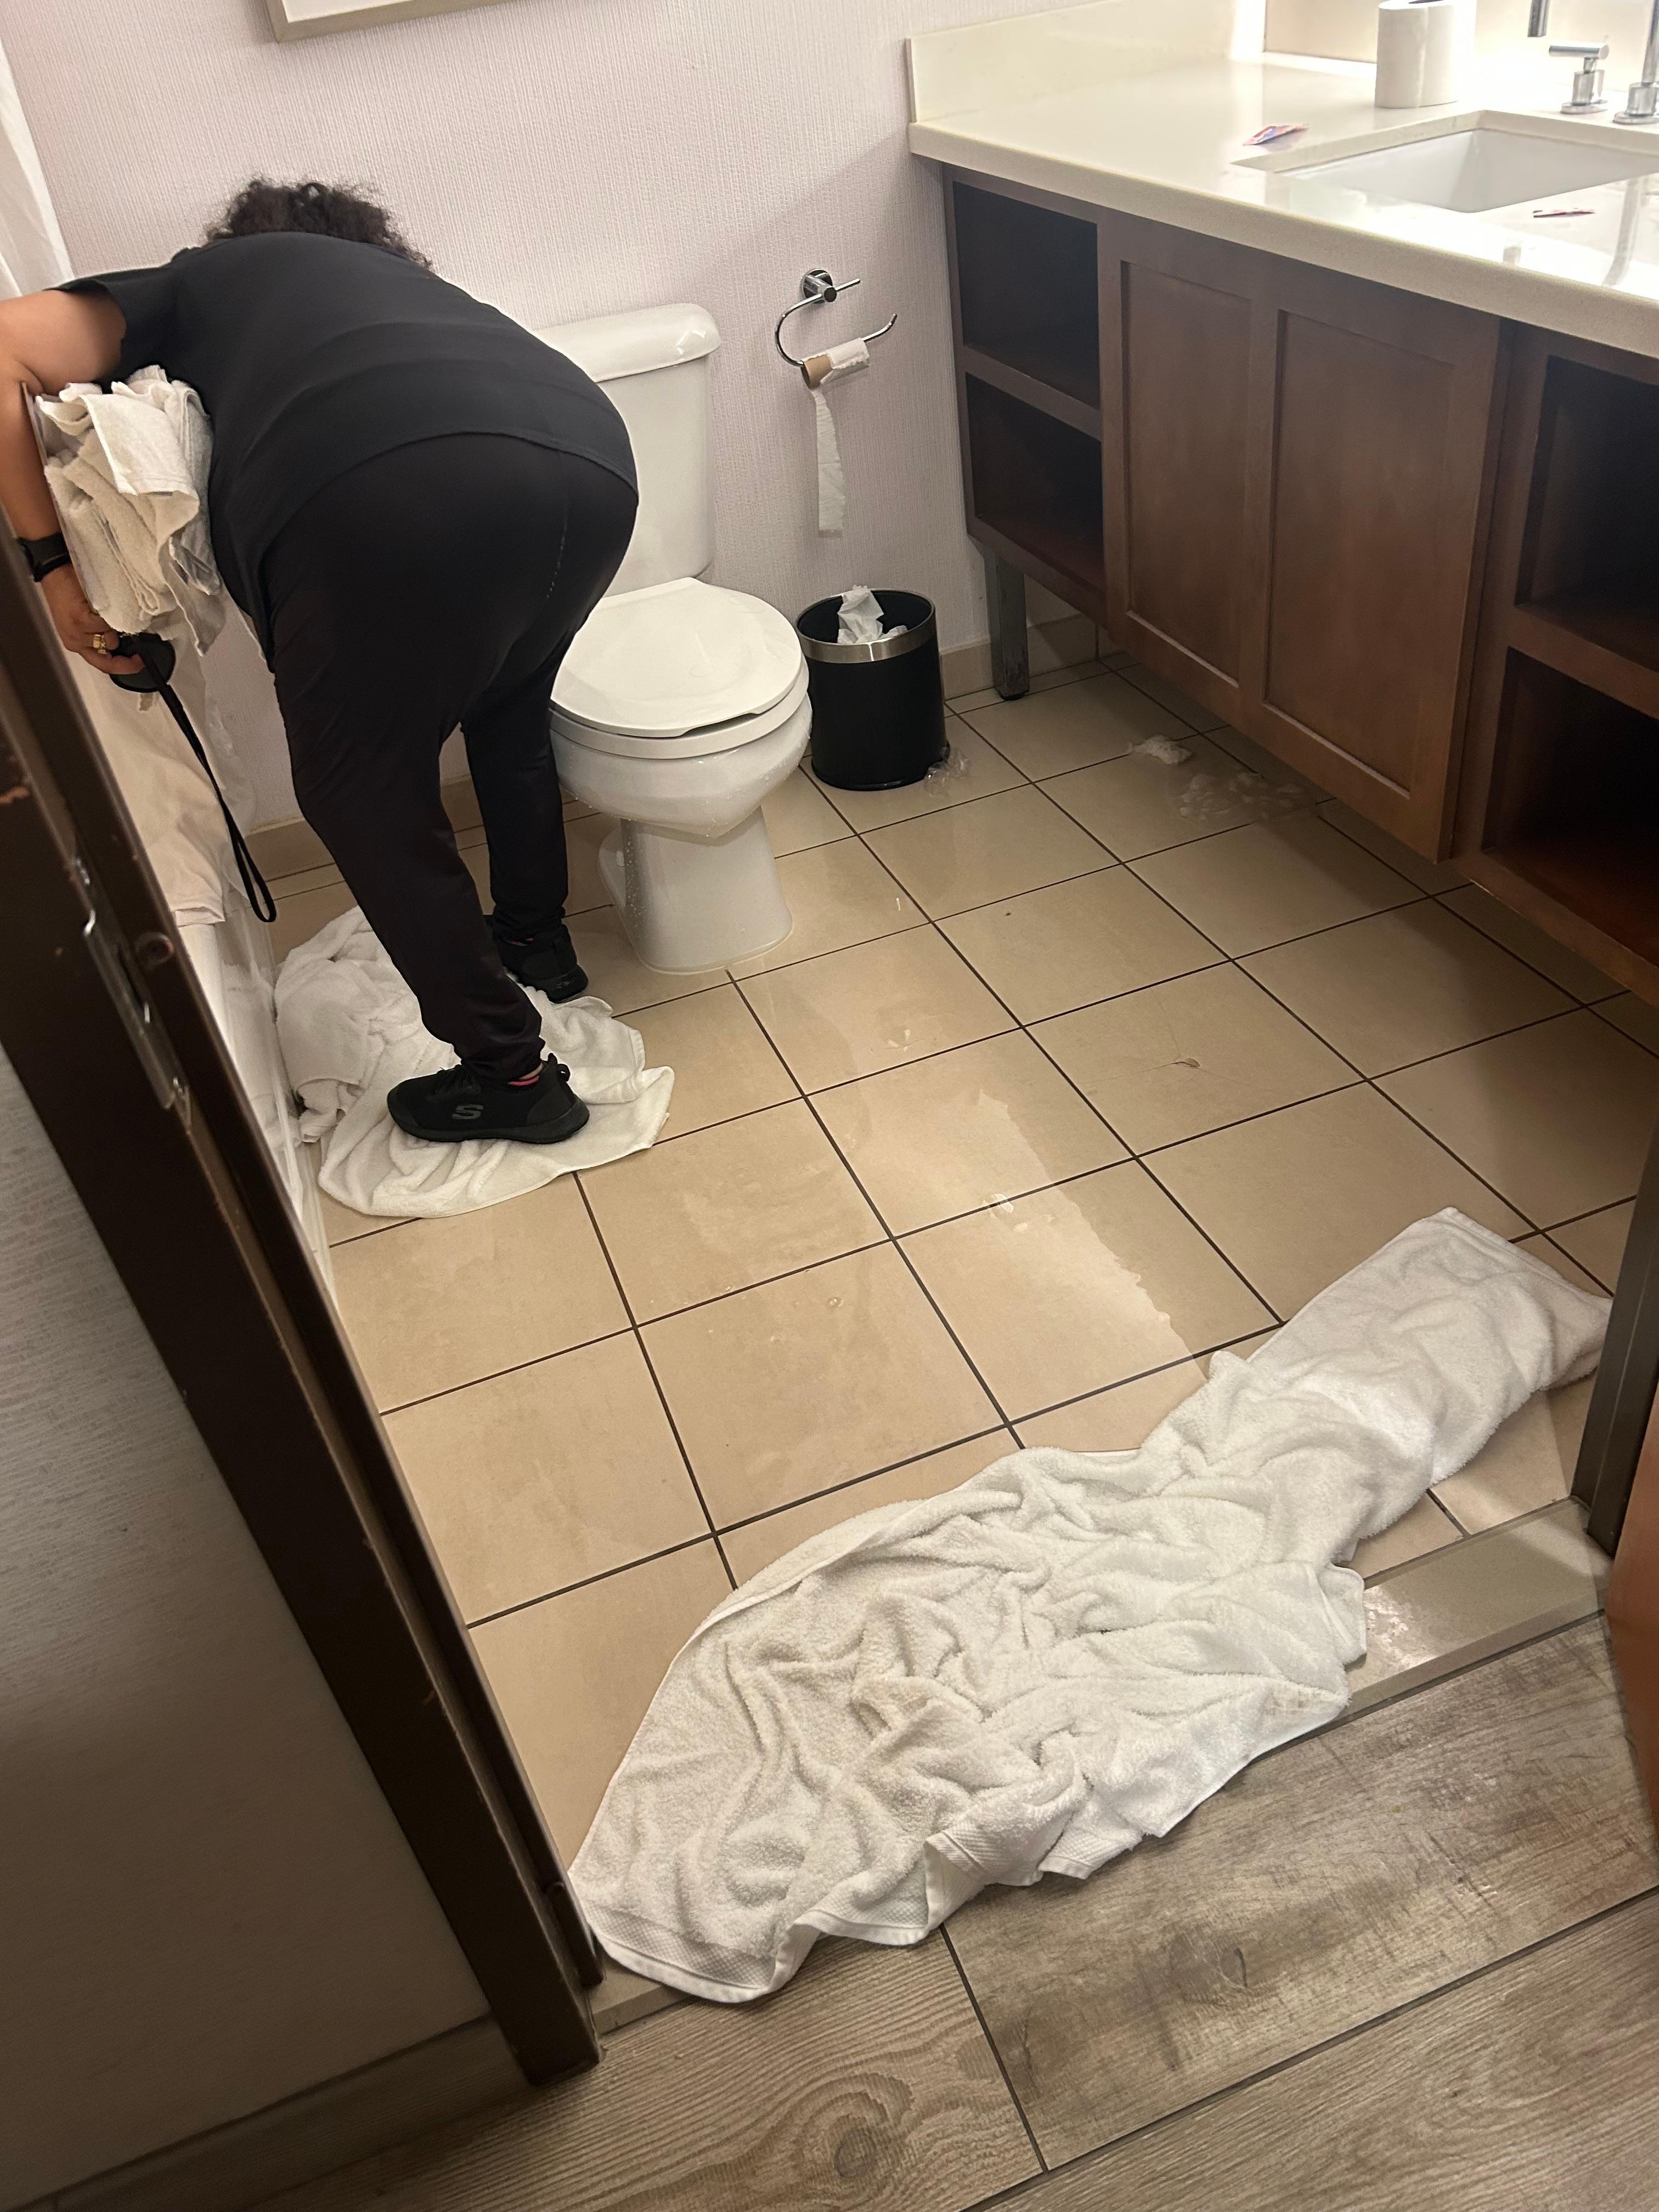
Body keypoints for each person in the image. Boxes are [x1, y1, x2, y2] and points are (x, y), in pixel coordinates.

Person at [0, 179, 637, 1145]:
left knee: (360, 793)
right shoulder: (413, 293)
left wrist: (51, 569)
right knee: (510, 716)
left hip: (385, 480)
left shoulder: (208, 279)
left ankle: (512, 1076)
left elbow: (6, 343)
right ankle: (535, 942)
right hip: (593, 462)